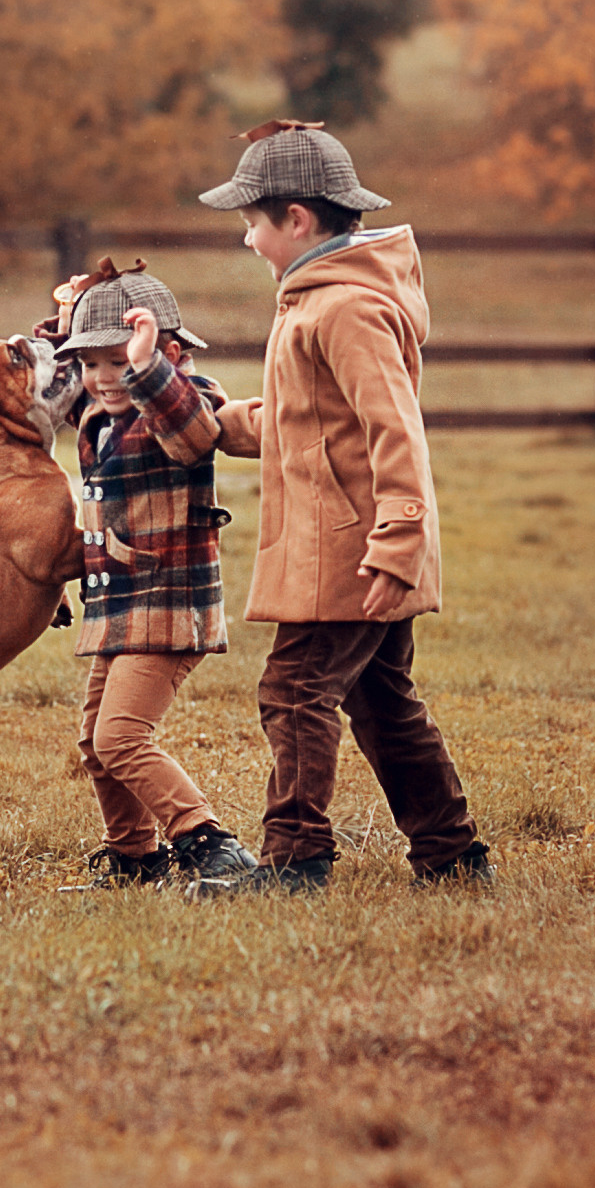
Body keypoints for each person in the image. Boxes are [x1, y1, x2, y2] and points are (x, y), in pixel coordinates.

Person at [197, 120, 493, 892]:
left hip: (352, 552)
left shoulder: (345, 310)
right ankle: (452, 856)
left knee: (293, 692)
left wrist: (397, 545)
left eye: (252, 223)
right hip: (346, 547)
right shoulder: (314, 304)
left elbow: (396, 431)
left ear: (296, 219)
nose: (249, 240)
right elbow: (305, 419)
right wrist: (217, 425)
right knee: (382, 700)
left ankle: (295, 859)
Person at [46, 262, 263, 891]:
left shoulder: (186, 399)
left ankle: (209, 841)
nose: (102, 378)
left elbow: (194, 435)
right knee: (96, 744)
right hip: (119, 609)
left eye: (118, 362)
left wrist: (145, 368)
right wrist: (73, 314)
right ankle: (135, 859)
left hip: (169, 604)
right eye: (92, 364)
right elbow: (69, 369)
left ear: (165, 353)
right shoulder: (103, 411)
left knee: (120, 736)